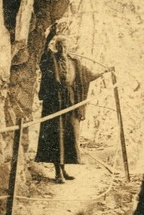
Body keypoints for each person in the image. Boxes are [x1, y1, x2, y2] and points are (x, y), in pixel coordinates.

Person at [35, 30, 105, 184]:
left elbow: (88, 75)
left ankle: (64, 169)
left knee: (69, 134)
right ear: (56, 47)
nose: (63, 50)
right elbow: (44, 49)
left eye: (66, 47)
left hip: (70, 101)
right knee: (56, 135)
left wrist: (104, 72)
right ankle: (57, 172)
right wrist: (50, 34)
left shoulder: (75, 62)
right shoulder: (50, 59)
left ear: (69, 48)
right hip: (54, 102)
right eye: (60, 46)